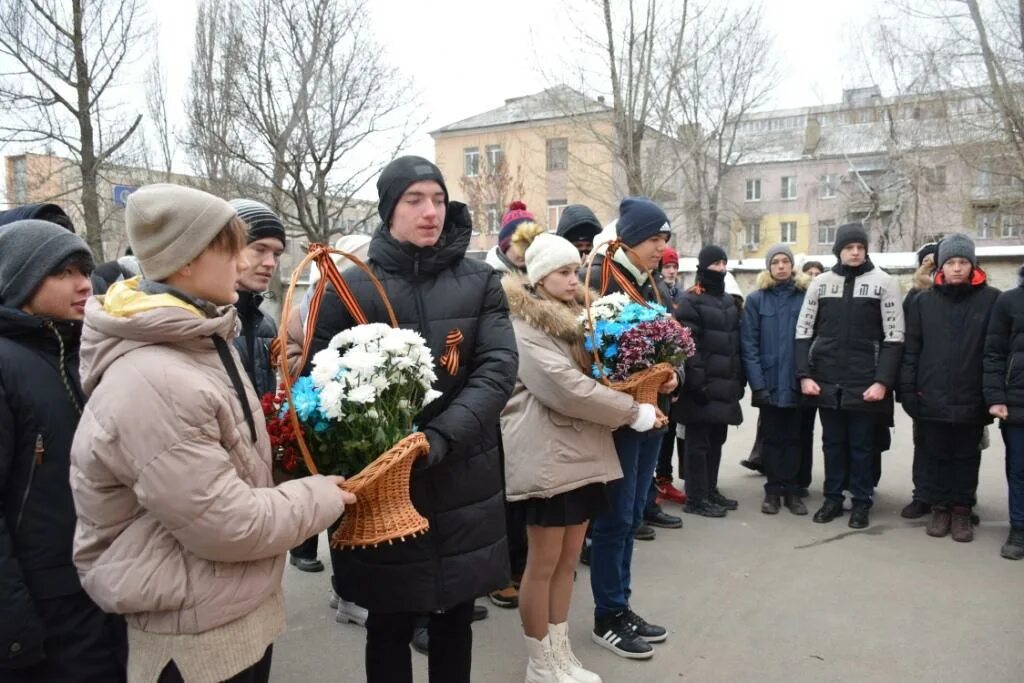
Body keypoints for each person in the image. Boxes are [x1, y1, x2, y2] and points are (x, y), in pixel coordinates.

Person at [69, 184, 352, 683]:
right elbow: (226, 524)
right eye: (231, 248)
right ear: (186, 262)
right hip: (193, 633)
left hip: (221, 607)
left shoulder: (198, 338)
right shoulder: (154, 378)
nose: (244, 262)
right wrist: (319, 494)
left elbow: (229, 463)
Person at [309, 156, 517, 683]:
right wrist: (372, 447)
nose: (431, 212)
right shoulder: (351, 286)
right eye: (414, 200)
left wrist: (439, 438)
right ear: (389, 209)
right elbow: (319, 382)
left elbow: (496, 370)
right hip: (381, 487)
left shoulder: (480, 281)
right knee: (389, 621)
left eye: (439, 200)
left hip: (461, 473)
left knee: (454, 620)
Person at [503, 232, 661, 682]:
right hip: (549, 454)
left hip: (584, 452)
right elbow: (563, 388)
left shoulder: (583, 318)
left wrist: (650, 373)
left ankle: (560, 653)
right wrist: (632, 411)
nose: (574, 280)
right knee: (543, 563)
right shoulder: (523, 325)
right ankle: (540, 661)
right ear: (538, 278)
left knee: (569, 561)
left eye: (575, 271)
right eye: (563, 272)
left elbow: (604, 373)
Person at [0, 220, 126, 682]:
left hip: (95, 587)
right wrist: (12, 625)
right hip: (41, 601)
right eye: (64, 272)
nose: (84, 284)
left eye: (86, 269)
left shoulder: (80, 352)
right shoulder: (8, 364)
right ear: (20, 279)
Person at [585, 197, 678, 661]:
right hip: (622, 419)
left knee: (632, 516)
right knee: (615, 518)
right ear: (629, 240)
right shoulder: (601, 279)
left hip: (652, 413)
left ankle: (621, 606)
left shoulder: (650, 281)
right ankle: (608, 615)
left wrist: (673, 373)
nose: (661, 248)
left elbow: (665, 343)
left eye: (664, 239)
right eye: (654, 239)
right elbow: (596, 355)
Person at [796, 223, 904, 529]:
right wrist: (805, 374)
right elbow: (803, 331)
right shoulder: (821, 283)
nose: (855, 252)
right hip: (827, 381)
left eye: (860, 247)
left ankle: (861, 502)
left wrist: (882, 381)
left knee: (862, 446)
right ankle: (832, 499)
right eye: (848, 247)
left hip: (865, 382)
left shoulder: (884, 283)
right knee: (832, 444)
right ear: (838, 251)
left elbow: (895, 337)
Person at [900, 234, 998, 543]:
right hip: (932, 396)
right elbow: (911, 350)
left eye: (963, 262)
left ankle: (961, 511)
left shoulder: (992, 299)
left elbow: (994, 351)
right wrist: (908, 391)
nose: (957, 268)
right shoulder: (922, 301)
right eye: (951, 262)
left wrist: (991, 396)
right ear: (941, 266)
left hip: (972, 397)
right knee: (937, 455)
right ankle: (940, 508)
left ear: (973, 265)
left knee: (967, 458)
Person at [676, 245, 744, 518]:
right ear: (703, 267)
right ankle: (696, 496)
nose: (720, 268)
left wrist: (738, 380)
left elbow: (734, 345)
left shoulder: (728, 301)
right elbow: (688, 346)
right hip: (700, 388)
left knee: (717, 440)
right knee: (698, 444)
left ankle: (710, 489)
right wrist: (697, 382)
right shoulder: (690, 300)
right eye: (715, 263)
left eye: (723, 263)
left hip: (724, 385)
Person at [741, 244, 810, 516]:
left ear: (792, 265)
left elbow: (812, 340)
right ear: (769, 267)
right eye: (776, 262)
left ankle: (792, 491)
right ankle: (772, 491)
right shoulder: (757, 299)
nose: (781, 266)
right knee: (771, 439)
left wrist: (806, 376)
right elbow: (749, 344)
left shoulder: (804, 297)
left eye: (785, 261)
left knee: (794, 439)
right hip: (768, 382)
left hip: (796, 382)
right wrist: (758, 384)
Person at [982, 263, 1024, 560]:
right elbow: (994, 353)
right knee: (1019, 469)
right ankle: (1019, 527)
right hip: (1018, 400)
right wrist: (996, 397)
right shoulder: (1008, 301)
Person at [900, 242, 939, 519]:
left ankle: (958, 501)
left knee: (963, 448)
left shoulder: (977, 294)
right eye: (926, 261)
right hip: (925, 383)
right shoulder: (914, 296)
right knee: (924, 443)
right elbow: (906, 341)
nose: (932, 265)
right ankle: (922, 496)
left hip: (964, 386)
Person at [654, 246, 687, 506]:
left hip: (673, 371)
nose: (672, 270)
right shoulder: (655, 290)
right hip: (655, 375)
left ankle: (665, 479)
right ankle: (655, 484)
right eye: (667, 266)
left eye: (674, 266)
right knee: (658, 432)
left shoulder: (682, 296)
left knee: (670, 430)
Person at [485, 201, 535, 274]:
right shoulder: (488, 280)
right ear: (504, 248)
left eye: (529, 244)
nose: (524, 251)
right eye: (518, 243)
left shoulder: (545, 278)